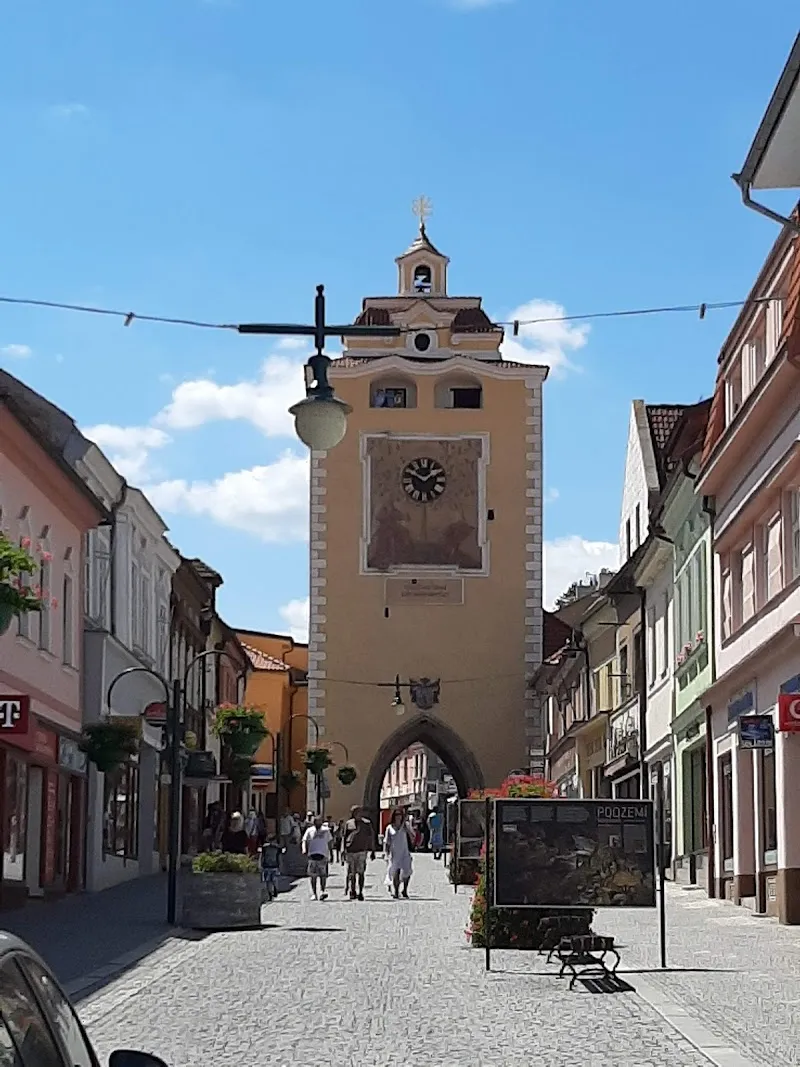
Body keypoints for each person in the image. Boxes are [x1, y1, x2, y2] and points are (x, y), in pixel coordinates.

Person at [343, 806, 375, 901]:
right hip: (350, 851)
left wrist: (373, 850)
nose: (358, 814)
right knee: (351, 873)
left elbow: (371, 837)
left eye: (359, 812)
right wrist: (343, 850)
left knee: (361, 873)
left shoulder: (367, 823)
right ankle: (352, 891)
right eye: (355, 812)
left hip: (362, 850)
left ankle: (360, 891)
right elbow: (344, 837)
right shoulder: (349, 824)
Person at [384, 807, 414, 899]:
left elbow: (412, 836)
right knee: (395, 872)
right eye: (396, 814)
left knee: (407, 871)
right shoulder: (389, 828)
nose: (398, 816)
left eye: (400, 814)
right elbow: (387, 841)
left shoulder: (405, 826)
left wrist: (407, 828)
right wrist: (386, 853)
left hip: (404, 851)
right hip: (394, 852)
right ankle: (396, 891)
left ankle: (405, 889)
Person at [302, 815, 332, 900]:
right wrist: (304, 849)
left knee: (323, 875)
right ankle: (314, 893)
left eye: (319, 821)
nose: (317, 823)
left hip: (323, 855)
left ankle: (322, 891)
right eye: (316, 821)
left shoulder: (326, 830)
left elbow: (330, 841)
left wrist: (331, 854)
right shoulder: (309, 830)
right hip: (312, 855)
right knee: (313, 876)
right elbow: (304, 840)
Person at [259, 835, 283, 902]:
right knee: (274, 880)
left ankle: (270, 894)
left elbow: (261, 856)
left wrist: (260, 864)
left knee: (268, 881)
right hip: (274, 866)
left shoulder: (265, 847)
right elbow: (280, 857)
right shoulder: (277, 847)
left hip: (267, 866)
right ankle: (275, 889)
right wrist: (280, 865)